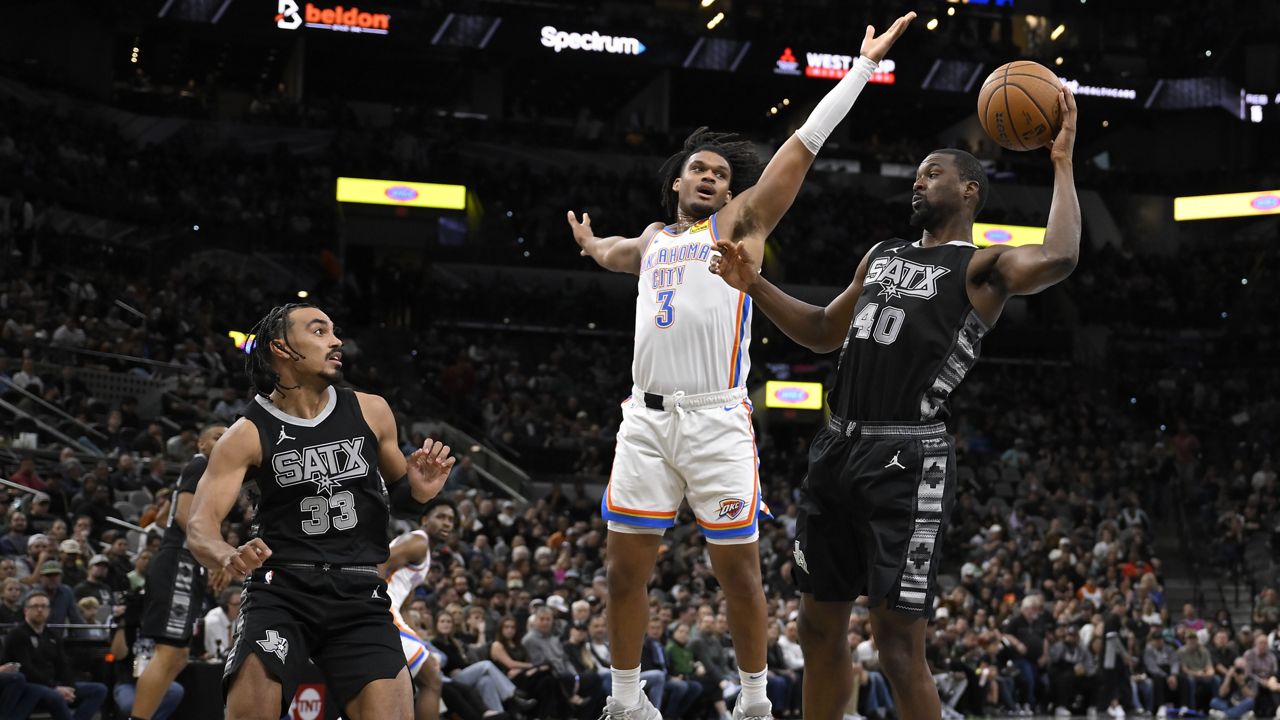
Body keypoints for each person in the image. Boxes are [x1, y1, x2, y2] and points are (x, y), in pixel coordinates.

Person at [567, 12, 917, 720]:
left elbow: (804, 145)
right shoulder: (653, 239)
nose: (709, 177)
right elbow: (612, 254)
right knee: (623, 570)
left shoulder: (739, 227)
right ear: (678, 182)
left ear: (731, 195)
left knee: (740, 574)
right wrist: (591, 241)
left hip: (715, 419)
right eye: (699, 167)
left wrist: (860, 68)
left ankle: (756, 703)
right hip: (644, 419)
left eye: (721, 174)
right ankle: (628, 702)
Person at [710, 81, 1081, 720]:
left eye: (931, 174)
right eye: (915, 175)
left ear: (969, 190)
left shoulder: (980, 268)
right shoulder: (882, 255)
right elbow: (825, 330)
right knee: (817, 630)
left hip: (907, 459)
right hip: (836, 447)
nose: (917, 183)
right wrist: (755, 284)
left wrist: (1062, 163)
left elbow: (1060, 255)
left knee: (897, 647)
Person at [186, 303, 456, 720]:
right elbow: (200, 526)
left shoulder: (371, 410)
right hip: (282, 591)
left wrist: (420, 492)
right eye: (319, 331)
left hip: (359, 592)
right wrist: (226, 554)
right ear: (282, 347)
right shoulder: (246, 433)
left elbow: (401, 494)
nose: (336, 341)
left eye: (334, 331)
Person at [131, 423, 228, 720]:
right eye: (217, 437)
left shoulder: (216, 474)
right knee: (169, 653)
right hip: (178, 562)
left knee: (178, 657)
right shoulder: (200, 466)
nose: (224, 441)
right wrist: (219, 554)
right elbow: (187, 518)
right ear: (200, 445)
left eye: (228, 437)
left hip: (188, 564)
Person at [0, 590, 108, 720]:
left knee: (99, 689)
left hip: (53, 684)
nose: (40, 610)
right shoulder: (17, 635)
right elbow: (26, 669)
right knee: (53, 695)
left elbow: (63, 664)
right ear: (26, 611)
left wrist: (69, 686)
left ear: (49, 611)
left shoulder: (52, 635)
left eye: (44, 606)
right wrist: (55, 687)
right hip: (30, 685)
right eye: (35, 606)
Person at [382, 503, 446, 720]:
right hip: (382, 608)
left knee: (400, 686)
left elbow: (407, 606)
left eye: (451, 520)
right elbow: (382, 561)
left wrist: (423, 643)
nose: (447, 523)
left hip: (391, 611)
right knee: (432, 680)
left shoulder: (425, 553)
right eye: (441, 516)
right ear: (425, 520)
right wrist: (369, 601)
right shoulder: (418, 541)